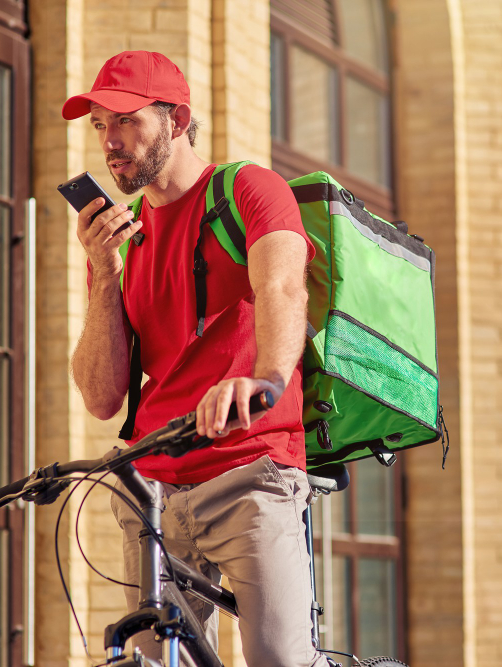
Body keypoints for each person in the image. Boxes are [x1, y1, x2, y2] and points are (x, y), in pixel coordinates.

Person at [62, 50, 325, 667]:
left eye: (127, 121)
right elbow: (102, 398)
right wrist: (103, 272)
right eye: (100, 126)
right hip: (153, 489)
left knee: (280, 660)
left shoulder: (248, 190)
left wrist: (265, 380)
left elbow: (284, 286)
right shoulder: (129, 241)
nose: (111, 142)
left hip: (249, 469)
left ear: (177, 120)